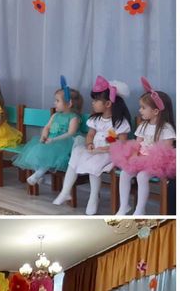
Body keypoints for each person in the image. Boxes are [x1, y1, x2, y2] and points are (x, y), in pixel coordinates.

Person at [53, 75, 132, 214]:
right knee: (77, 152)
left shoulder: (119, 122)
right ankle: (65, 191)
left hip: (109, 153)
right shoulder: (96, 119)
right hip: (95, 149)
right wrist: (89, 144)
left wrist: (104, 149)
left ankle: (93, 197)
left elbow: (121, 143)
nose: (93, 103)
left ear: (108, 104)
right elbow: (90, 135)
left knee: (94, 164)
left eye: (96, 100)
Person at [110, 77, 176, 215]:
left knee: (142, 176)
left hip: (157, 163)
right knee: (125, 173)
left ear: (156, 111)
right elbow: (136, 144)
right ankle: (124, 206)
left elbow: (166, 151)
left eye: (143, 108)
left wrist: (149, 159)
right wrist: (134, 157)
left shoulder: (166, 128)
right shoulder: (143, 126)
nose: (140, 110)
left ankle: (140, 210)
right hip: (140, 159)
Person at [13, 77, 83, 190]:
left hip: (65, 143)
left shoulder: (74, 118)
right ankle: (39, 174)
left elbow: (71, 133)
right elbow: (47, 127)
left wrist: (54, 140)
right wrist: (44, 136)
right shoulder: (55, 115)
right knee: (37, 150)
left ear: (69, 103)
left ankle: (38, 174)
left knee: (51, 154)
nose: (55, 103)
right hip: (50, 140)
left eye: (57, 101)